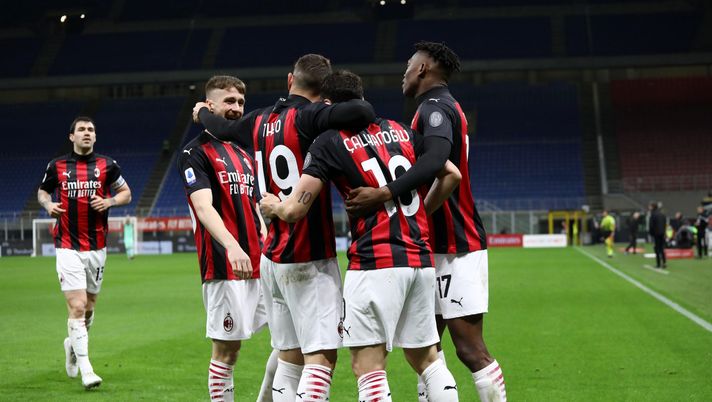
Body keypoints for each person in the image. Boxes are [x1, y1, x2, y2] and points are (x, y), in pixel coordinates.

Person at [260, 70, 462, 402]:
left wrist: (274, 207)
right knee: (428, 360)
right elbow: (450, 174)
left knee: (367, 367)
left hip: (374, 263)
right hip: (419, 259)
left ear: (327, 104)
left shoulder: (328, 142)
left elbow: (296, 210)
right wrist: (421, 213)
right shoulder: (400, 130)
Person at [194, 55, 375, 401]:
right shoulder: (308, 117)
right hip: (309, 257)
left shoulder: (259, 120)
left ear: (290, 79)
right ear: (322, 91)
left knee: (289, 358)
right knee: (321, 358)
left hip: (272, 258)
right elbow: (362, 113)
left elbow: (222, 129)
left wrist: (201, 112)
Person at [343, 42, 507, 402]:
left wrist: (389, 196)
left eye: (409, 64)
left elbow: (436, 162)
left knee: (469, 348)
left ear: (423, 68)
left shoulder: (435, 108)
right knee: (425, 351)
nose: (404, 71)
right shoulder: (441, 107)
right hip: (431, 248)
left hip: (456, 244)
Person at [179, 75, 271, 402]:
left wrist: (262, 224)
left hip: (262, 262)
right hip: (224, 266)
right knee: (227, 353)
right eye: (229, 101)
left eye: (240, 103)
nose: (236, 108)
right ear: (209, 105)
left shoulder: (245, 152)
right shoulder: (195, 152)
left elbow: (252, 200)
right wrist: (232, 245)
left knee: (291, 340)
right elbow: (203, 207)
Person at [38, 116, 132, 389]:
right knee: (77, 306)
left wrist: (110, 200)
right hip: (67, 245)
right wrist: (48, 206)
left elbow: (126, 193)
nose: (87, 133)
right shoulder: (57, 166)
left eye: (91, 129)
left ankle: (72, 345)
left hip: (97, 247)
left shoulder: (107, 165)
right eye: (82, 129)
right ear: (72, 136)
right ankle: (87, 368)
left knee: (88, 309)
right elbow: (43, 192)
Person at [649, 202, 667, 269]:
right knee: (662, 248)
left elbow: (651, 225)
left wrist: (651, 233)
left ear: (652, 207)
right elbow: (665, 224)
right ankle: (664, 262)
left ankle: (658, 263)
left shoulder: (653, 214)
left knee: (657, 248)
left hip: (656, 234)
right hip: (662, 233)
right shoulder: (662, 214)